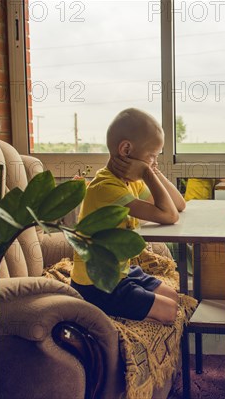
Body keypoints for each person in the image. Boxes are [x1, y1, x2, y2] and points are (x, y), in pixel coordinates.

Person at [71, 108, 186, 325]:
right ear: (126, 149)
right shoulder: (106, 188)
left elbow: (179, 204)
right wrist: (146, 172)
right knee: (170, 310)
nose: (154, 162)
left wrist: (153, 170)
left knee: (173, 297)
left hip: (122, 273)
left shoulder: (127, 183)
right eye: (152, 156)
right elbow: (169, 216)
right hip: (97, 284)